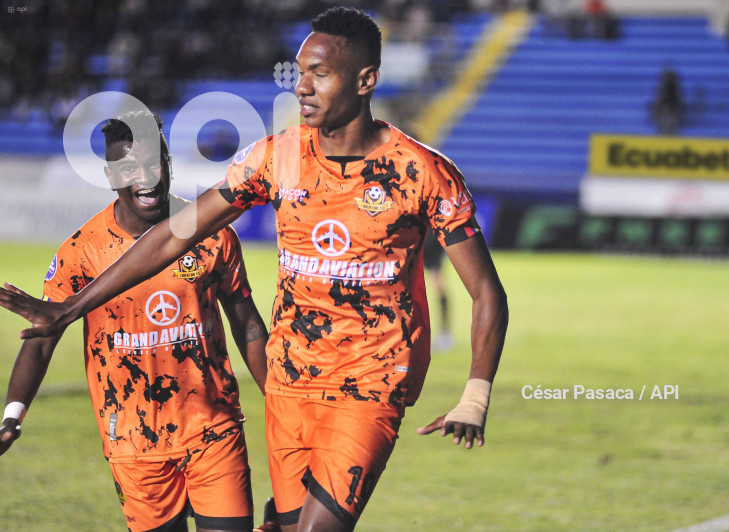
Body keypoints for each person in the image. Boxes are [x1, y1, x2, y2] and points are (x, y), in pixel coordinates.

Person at [0, 7, 509, 532]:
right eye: (300, 72)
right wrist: (69, 310)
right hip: (288, 382)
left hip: (371, 382)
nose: (303, 88)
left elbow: (486, 291)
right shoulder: (276, 157)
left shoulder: (421, 172)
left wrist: (476, 393)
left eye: (320, 73)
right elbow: (173, 235)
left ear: (366, 79)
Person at [0, 110, 269, 532]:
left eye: (153, 163)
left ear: (168, 164)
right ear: (110, 176)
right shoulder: (82, 251)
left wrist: (281, 402)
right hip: (132, 441)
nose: (144, 177)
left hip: (213, 428)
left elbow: (247, 323)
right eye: (128, 167)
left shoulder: (211, 233)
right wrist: (13, 414)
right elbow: (42, 338)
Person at [423, 228, 454, 352]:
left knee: (438, 285)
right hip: (419, 235)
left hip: (426, 237)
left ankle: (444, 333)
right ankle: (444, 334)